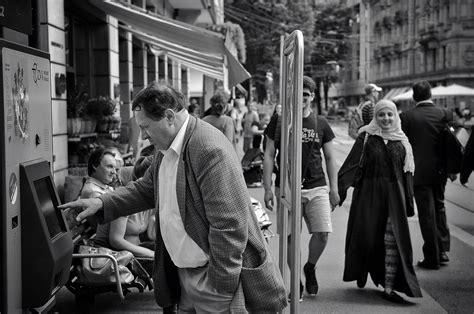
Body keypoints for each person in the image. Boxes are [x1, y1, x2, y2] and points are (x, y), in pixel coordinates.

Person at [60, 82, 287, 313]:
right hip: (188, 274)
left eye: (146, 126)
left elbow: (228, 225)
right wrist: (100, 202)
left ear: (169, 116)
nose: (143, 136)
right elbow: (145, 189)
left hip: (210, 280)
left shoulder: (208, 149)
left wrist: (220, 284)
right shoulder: (168, 146)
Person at [263, 76, 340, 300]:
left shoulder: (321, 123)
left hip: (316, 186)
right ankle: (295, 280)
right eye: (297, 93)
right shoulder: (280, 120)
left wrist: (334, 189)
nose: (301, 98)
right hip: (286, 187)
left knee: (323, 233)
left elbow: (329, 157)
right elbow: (269, 154)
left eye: (305, 94)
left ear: (312, 97)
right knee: (289, 237)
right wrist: (268, 188)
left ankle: (310, 267)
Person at [338, 100, 422, 303]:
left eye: (390, 115)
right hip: (368, 196)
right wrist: (338, 192)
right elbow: (350, 165)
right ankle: (362, 270)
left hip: (394, 200)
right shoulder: (366, 137)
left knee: (392, 242)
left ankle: (390, 287)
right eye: (382, 115)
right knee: (366, 238)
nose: (386, 118)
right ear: (376, 117)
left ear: (396, 116)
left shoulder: (402, 141)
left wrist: (409, 204)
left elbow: (407, 174)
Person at [400, 80, 451, 269]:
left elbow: (401, 145)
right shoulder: (444, 114)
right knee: (439, 208)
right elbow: (452, 143)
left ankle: (432, 256)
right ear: (431, 94)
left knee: (426, 214)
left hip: (417, 172)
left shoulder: (407, 116)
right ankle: (443, 250)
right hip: (440, 171)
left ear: (414, 97)